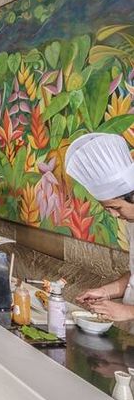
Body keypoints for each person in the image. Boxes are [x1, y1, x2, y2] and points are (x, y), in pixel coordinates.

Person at [65, 133, 134, 322]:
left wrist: (128, 312)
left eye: (116, 208)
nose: (115, 215)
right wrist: (105, 291)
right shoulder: (131, 223)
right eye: (108, 209)